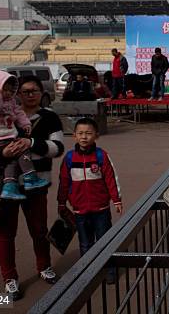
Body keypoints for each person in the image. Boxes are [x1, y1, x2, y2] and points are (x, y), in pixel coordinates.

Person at [0, 75, 65, 300]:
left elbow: (58, 148)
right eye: (25, 91)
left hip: (37, 184)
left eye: (34, 91)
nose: (30, 94)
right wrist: (3, 153)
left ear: (42, 93)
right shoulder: (3, 114)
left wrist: (31, 143)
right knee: (5, 234)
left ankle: (44, 266)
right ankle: (9, 278)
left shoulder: (50, 117)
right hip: (5, 185)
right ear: (18, 94)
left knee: (39, 230)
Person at [57, 118, 122, 283]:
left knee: (104, 240)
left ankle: (109, 270)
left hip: (101, 209)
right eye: (80, 133)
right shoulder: (70, 158)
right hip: (79, 210)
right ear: (74, 136)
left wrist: (116, 200)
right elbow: (64, 182)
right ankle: (88, 272)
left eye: (88, 133)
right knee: (85, 244)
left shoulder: (101, 156)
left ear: (96, 136)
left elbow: (111, 179)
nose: (84, 137)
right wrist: (61, 202)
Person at [0, 70, 49, 200]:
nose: (8, 93)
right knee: (19, 151)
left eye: (11, 90)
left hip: (8, 136)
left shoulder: (48, 115)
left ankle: (10, 185)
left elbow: (19, 112)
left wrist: (26, 125)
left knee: (16, 155)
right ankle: (29, 177)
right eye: (25, 92)